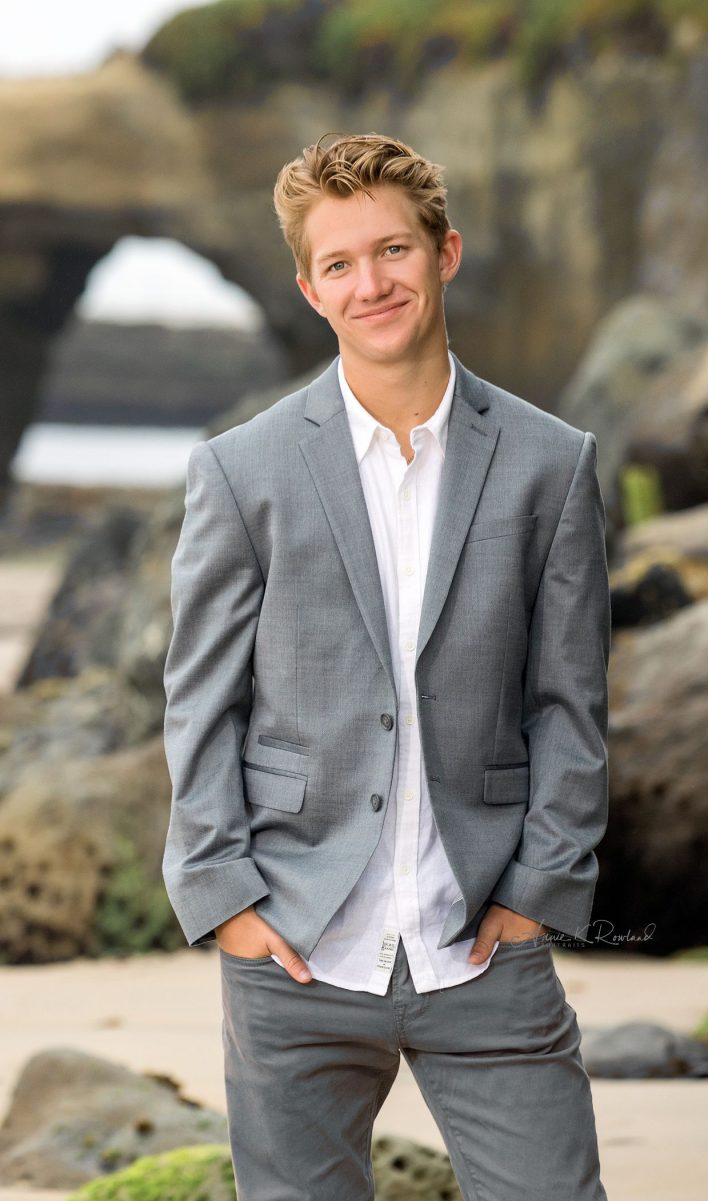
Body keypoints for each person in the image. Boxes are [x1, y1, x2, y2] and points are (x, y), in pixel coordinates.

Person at [162, 131, 610, 1201]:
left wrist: (539, 889)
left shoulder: (551, 462)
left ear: (443, 252)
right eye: (338, 264)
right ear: (309, 289)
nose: (372, 283)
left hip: (483, 946)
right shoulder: (243, 470)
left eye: (392, 251)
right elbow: (200, 702)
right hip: (295, 947)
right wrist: (226, 895)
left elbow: (568, 704)